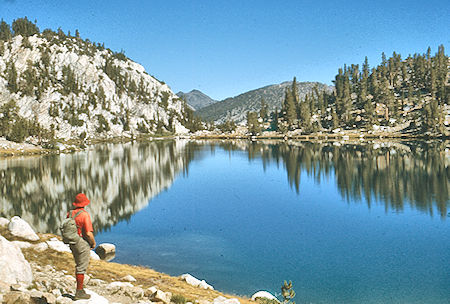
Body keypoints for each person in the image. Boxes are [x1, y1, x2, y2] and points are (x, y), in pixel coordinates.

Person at [68, 193, 96, 300]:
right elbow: (88, 233)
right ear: (84, 204)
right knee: (81, 267)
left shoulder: (70, 213)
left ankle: (80, 289)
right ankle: (79, 292)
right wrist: (93, 243)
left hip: (72, 243)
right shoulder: (84, 215)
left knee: (78, 264)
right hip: (81, 243)